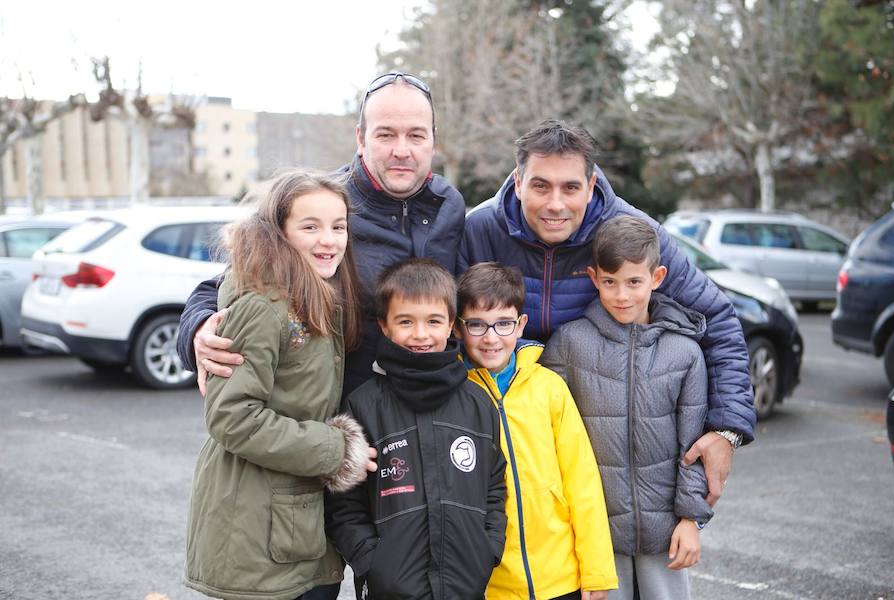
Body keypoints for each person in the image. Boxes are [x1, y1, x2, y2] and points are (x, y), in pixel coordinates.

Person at [459, 119, 755, 505]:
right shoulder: (479, 230)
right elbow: (441, 325)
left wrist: (727, 429)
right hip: (504, 435)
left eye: (570, 187)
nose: (555, 203)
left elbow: (717, 317)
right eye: (540, 185)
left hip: (604, 445)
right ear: (518, 182)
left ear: (591, 186)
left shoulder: (630, 232)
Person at [176, 72, 465, 398]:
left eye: (416, 135)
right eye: (386, 135)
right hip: (340, 421)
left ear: (433, 140)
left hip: (431, 410)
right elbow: (222, 285)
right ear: (361, 137)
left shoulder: (450, 206)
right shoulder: (317, 205)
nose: (402, 150)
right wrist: (198, 330)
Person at [183, 171, 377, 600]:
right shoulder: (265, 306)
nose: (329, 240)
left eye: (338, 226)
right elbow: (232, 418)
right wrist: (336, 449)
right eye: (310, 227)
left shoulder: (319, 294)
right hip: (254, 530)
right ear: (279, 232)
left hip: (298, 525)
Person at [542, 216, 714, 600]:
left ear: (657, 277)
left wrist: (690, 519)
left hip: (664, 532)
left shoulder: (684, 352)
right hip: (595, 533)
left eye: (634, 282)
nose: (622, 295)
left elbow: (693, 445)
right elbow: (547, 441)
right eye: (609, 282)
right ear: (593, 278)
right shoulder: (569, 345)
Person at [325, 258, 507, 600]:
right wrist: (372, 561)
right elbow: (344, 502)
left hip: (466, 582)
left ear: (452, 324)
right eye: (405, 321)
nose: (421, 334)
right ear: (384, 324)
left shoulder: (478, 403)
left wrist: (488, 549)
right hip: (392, 586)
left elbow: (494, 486)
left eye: (433, 321)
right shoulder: (363, 405)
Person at [455, 262, 618, 600]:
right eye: (477, 325)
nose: (491, 338)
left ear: (520, 325)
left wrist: (597, 571)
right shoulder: (454, 395)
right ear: (458, 329)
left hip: (561, 578)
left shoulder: (548, 388)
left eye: (503, 324)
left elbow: (582, 482)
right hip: (489, 585)